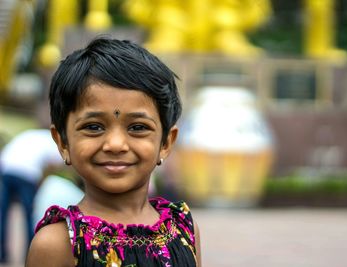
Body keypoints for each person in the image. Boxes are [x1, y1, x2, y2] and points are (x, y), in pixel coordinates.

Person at [26, 37, 202, 267]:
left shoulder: (184, 230)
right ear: (63, 142)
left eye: (138, 127)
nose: (116, 144)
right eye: (94, 127)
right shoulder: (56, 244)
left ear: (166, 143)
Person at [0, 128, 63, 263]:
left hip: (6, 167)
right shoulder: (53, 141)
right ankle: (30, 254)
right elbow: (56, 164)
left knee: (3, 213)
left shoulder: (31, 134)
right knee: (30, 214)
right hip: (27, 172)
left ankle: (2, 254)